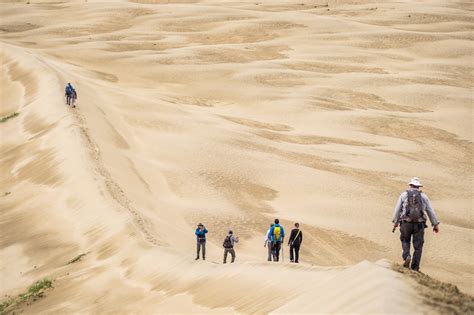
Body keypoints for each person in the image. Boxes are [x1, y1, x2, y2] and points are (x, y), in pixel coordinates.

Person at [392, 177, 440, 271]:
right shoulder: (424, 196)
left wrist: (395, 222)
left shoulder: (404, 195)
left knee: (405, 240)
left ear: (410, 185)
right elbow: (430, 211)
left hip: (406, 223)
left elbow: (397, 210)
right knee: (418, 246)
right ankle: (415, 267)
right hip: (419, 225)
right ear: (419, 186)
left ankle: (407, 256)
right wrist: (435, 224)